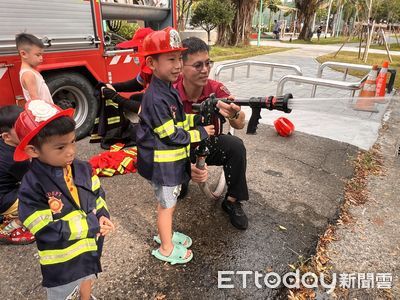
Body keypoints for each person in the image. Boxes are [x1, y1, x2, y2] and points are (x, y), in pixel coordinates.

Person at [14, 100, 114, 300]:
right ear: (33, 151)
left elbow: (97, 194)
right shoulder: (32, 186)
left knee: (89, 276)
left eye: (73, 142)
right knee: (64, 293)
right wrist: (92, 224)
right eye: (60, 147)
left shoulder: (83, 168)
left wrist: (103, 215)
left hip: (90, 246)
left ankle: (85, 297)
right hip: (63, 261)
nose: (71, 151)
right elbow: (45, 229)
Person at [136, 27, 214, 264]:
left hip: (171, 163)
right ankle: (167, 248)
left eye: (179, 58)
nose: (178, 65)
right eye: (171, 59)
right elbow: (170, 134)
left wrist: (195, 119)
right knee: (166, 206)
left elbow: (177, 121)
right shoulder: (156, 97)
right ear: (151, 63)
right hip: (162, 166)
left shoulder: (167, 89)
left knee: (170, 202)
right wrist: (199, 133)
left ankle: (166, 234)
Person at [174, 37, 249, 230]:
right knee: (177, 192)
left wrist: (234, 113)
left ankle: (232, 201)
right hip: (179, 149)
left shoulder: (216, 89)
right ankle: (182, 180)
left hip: (209, 145)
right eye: (198, 65)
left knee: (235, 146)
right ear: (181, 66)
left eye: (208, 63)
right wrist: (186, 167)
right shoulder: (170, 92)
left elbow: (240, 124)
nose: (205, 70)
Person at [0, 105, 35, 244]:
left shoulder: (4, 143)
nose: (27, 130)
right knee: (39, 198)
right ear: (7, 136)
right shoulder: (16, 159)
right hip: (3, 199)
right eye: (20, 129)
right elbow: (33, 181)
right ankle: (8, 230)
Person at [15, 33, 53, 103]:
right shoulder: (28, 74)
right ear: (23, 54)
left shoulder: (31, 71)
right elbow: (36, 101)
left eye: (42, 55)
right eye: (38, 55)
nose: (41, 58)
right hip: (43, 112)